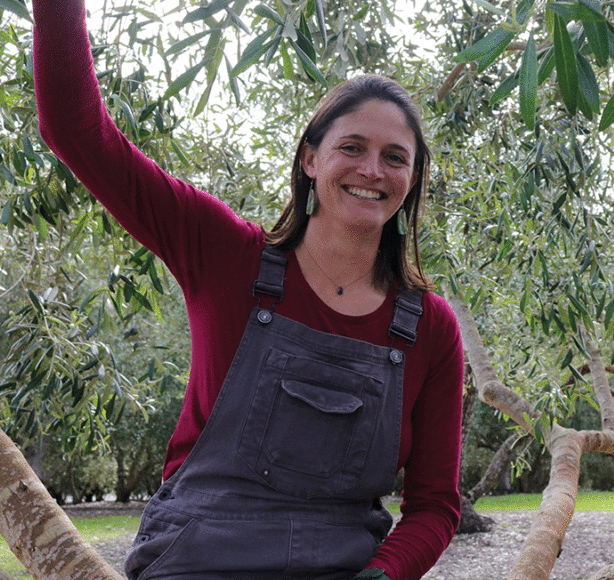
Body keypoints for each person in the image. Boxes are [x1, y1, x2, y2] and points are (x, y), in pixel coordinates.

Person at [31, 1, 465, 579]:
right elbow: (77, 133)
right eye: (352, 148)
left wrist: (381, 576)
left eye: (395, 158)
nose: (373, 171)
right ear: (311, 158)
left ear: (411, 181)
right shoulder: (224, 255)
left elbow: (435, 507)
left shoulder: (430, 327)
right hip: (197, 561)